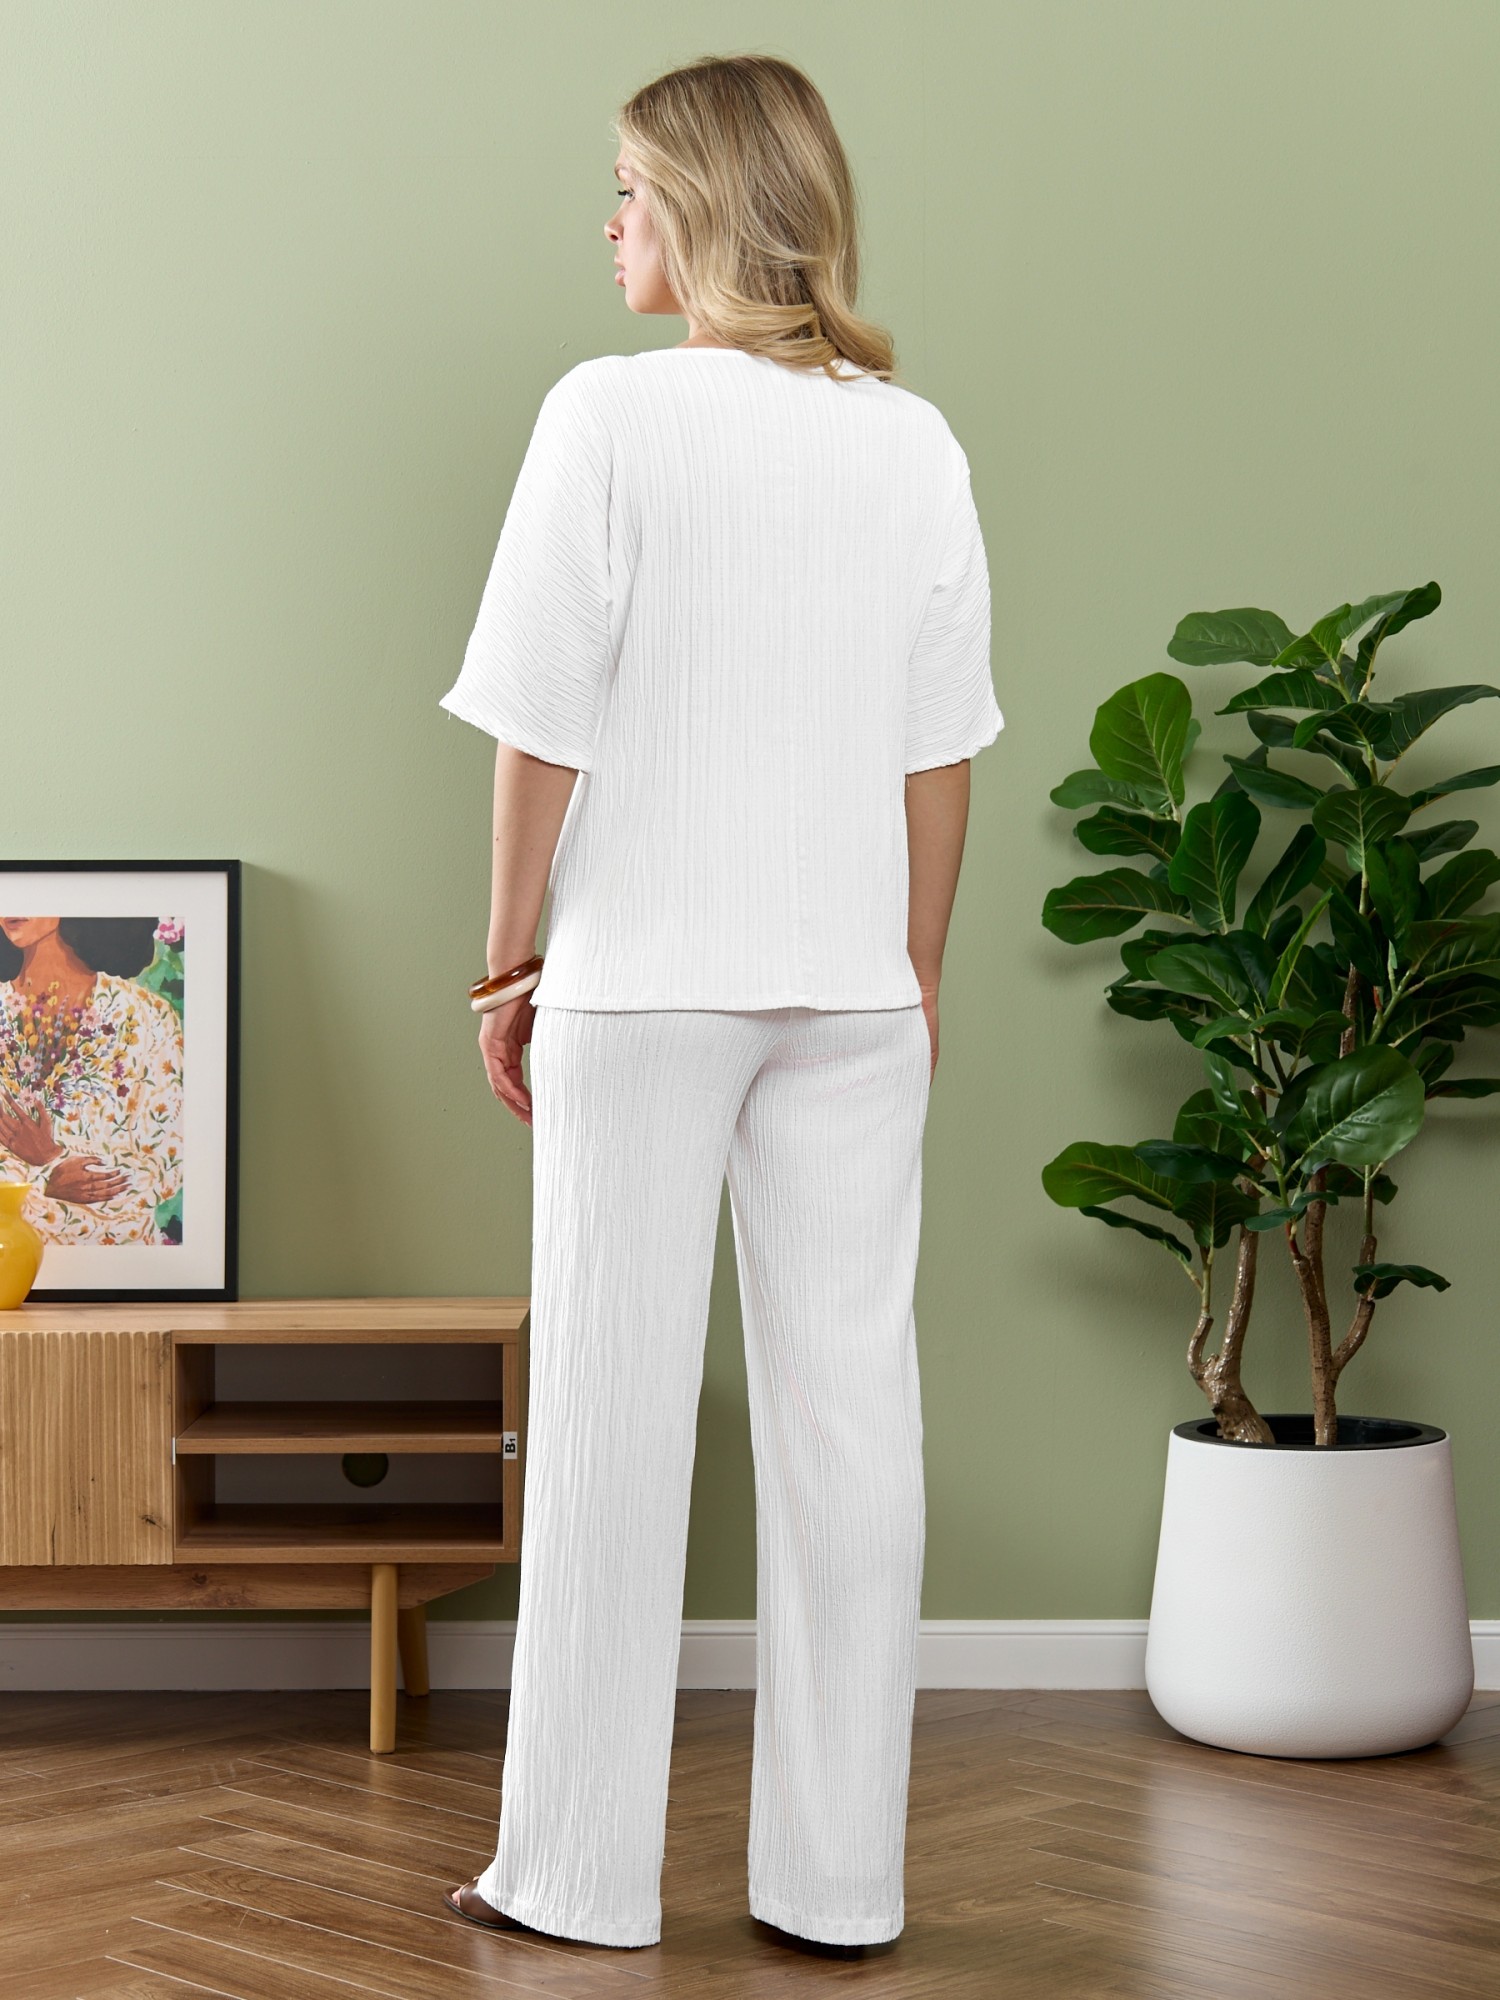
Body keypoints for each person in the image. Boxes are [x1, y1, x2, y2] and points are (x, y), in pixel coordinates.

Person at [437, 52, 1003, 1957]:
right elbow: (942, 754)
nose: (607, 223)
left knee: (612, 1419)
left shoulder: (607, 415)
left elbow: (541, 724)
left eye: (626, 189)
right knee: (854, 1426)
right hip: (853, 991)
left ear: (696, 207)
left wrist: (507, 957)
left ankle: (579, 1876)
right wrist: (916, 971)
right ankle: (840, 1887)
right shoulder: (912, 443)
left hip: (645, 987)